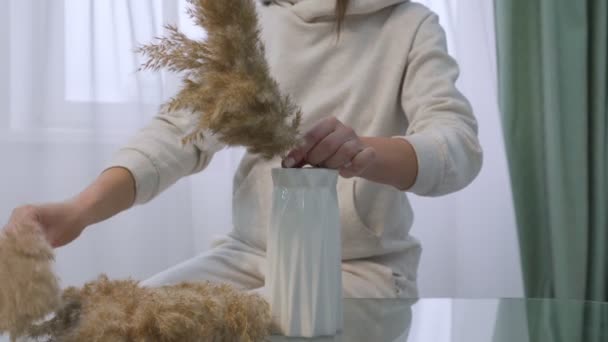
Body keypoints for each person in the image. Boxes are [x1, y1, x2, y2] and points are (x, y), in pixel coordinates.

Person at [7, 0, 482, 298]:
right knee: (111, 328)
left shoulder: (410, 24)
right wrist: (80, 209)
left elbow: (455, 143)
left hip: (360, 273)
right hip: (247, 257)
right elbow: (179, 132)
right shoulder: (251, 18)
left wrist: (369, 153)